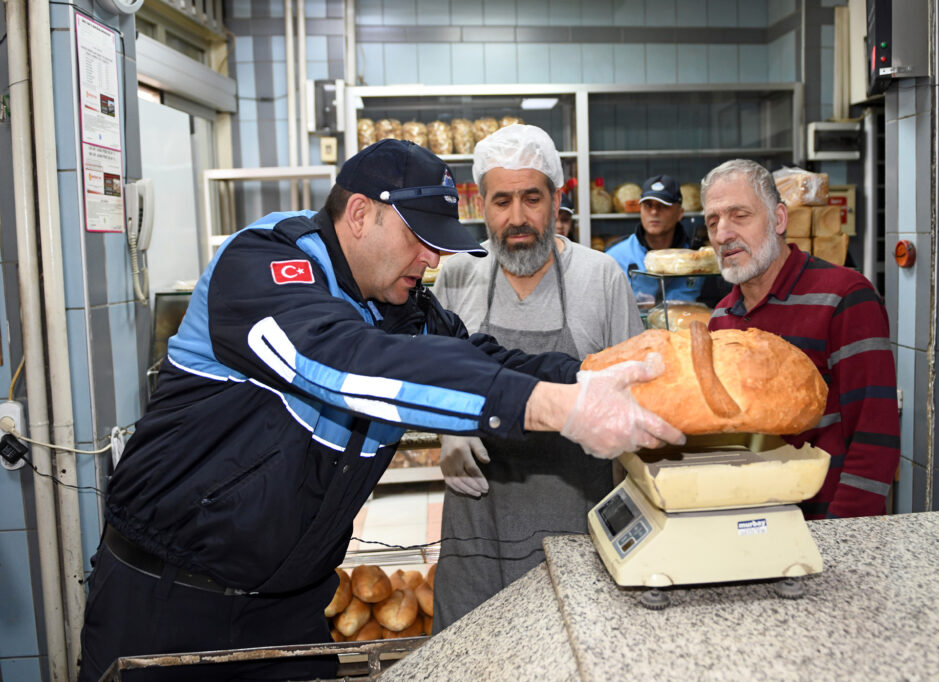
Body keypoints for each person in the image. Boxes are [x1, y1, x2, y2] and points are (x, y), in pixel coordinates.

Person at [78, 139, 685, 681]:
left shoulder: (403, 307)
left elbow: (487, 359)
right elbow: (340, 361)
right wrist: (555, 407)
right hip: (169, 601)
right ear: (361, 213)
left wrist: (602, 379)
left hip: (290, 608)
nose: (431, 261)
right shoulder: (265, 264)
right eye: (419, 240)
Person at [430, 125, 644, 633]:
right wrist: (447, 427)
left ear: (556, 199)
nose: (518, 218)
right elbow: (430, 371)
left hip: (579, 516)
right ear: (480, 203)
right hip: (477, 517)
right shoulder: (457, 273)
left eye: (532, 198)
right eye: (502, 201)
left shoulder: (600, 278)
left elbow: (636, 397)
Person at [701, 159, 899, 519]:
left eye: (739, 215)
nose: (722, 234)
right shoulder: (721, 319)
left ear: (778, 219)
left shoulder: (843, 297)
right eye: (712, 221)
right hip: (750, 524)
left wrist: (845, 537)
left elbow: (875, 436)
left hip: (827, 527)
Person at [605, 173, 730, 308]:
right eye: (648, 205)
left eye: (662, 206)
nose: (654, 212)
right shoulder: (615, 257)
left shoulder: (699, 258)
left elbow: (713, 307)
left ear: (680, 213)